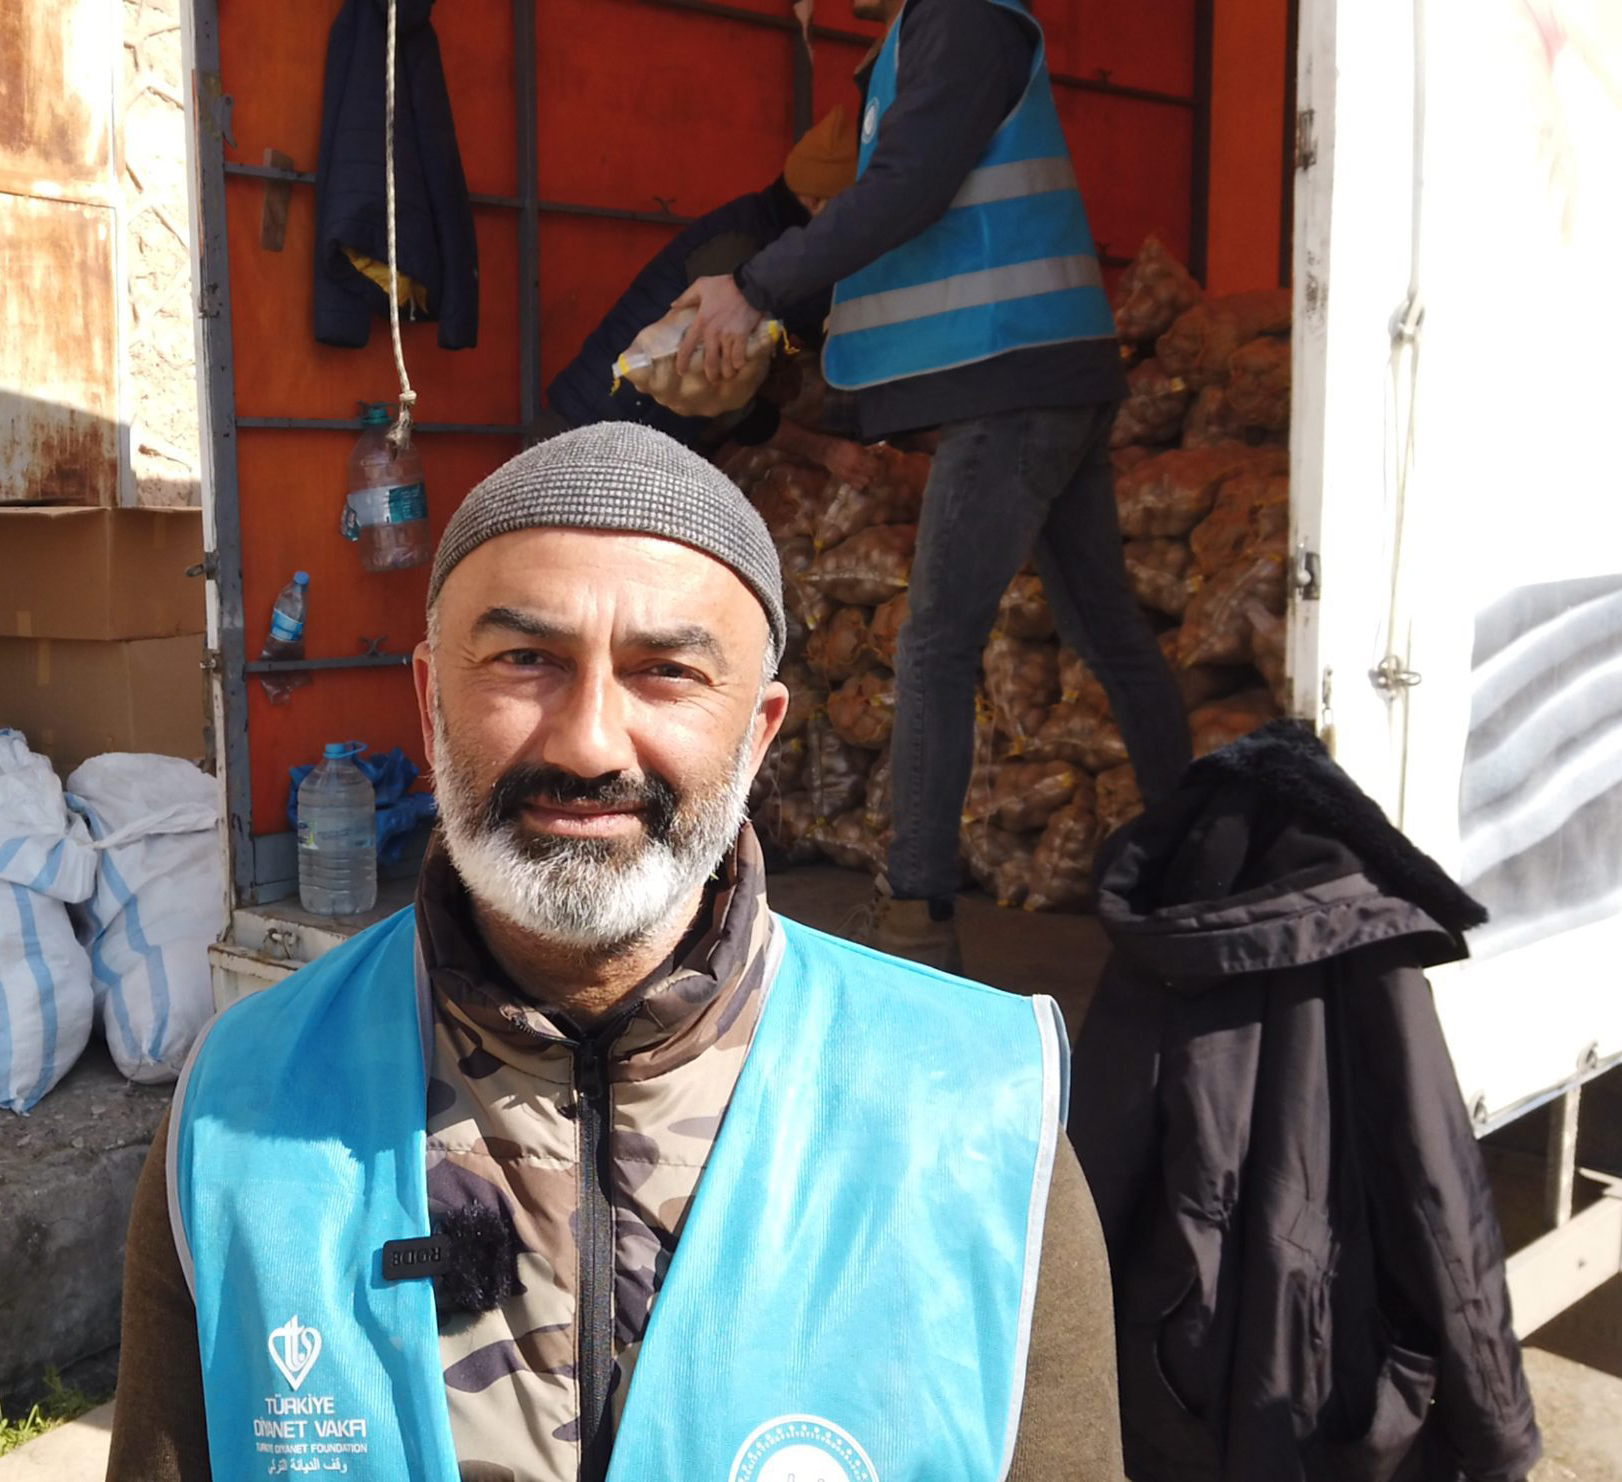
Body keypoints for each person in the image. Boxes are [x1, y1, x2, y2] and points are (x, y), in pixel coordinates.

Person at [106, 424, 1121, 1482]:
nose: (588, 742)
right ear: (427, 702)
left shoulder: (974, 1114)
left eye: (666, 672)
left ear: (758, 732)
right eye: (525, 660)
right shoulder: (243, 1108)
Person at [674, 0, 1192, 972]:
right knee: (1108, 634)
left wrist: (756, 288)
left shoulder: (961, 19)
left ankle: (914, 911)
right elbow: (901, 206)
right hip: (1043, 373)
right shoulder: (928, 33)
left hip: (1016, 380)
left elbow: (908, 188)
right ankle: (1198, 853)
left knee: (934, 646)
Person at [532, 105, 875, 485]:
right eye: (846, 219)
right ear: (815, 203)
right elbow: (724, 400)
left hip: (619, 443)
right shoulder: (741, 258)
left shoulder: (764, 238)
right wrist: (823, 449)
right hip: (592, 451)